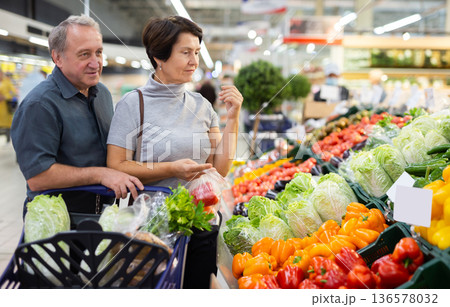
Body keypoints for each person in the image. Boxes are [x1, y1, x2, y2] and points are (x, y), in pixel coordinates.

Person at [106, 16, 243, 288]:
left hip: (201, 224)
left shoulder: (202, 105)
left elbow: (220, 168)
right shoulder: (133, 105)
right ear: (159, 56)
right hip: (151, 230)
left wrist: (234, 118)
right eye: (186, 53)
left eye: (196, 52)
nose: (194, 61)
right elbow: (116, 166)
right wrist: (171, 169)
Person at [11, 15, 144, 216]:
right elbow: (38, 177)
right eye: (84, 55)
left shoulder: (102, 94)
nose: (95, 62)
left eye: (98, 52)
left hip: (102, 217)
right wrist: (101, 175)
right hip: (58, 223)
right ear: (57, 58)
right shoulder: (40, 105)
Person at [0, 71, 18, 142]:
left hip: (5, 107)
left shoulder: (7, 82)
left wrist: (5, 97)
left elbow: (13, 93)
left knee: (7, 124)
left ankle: (8, 140)